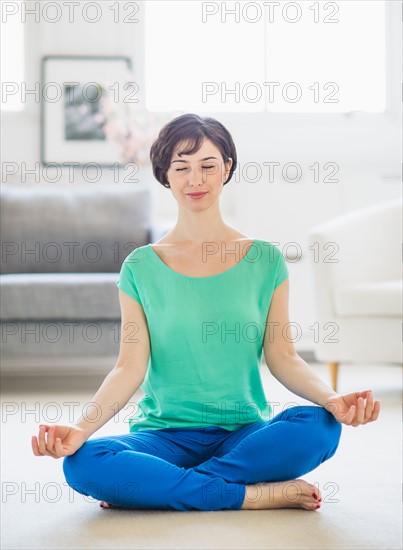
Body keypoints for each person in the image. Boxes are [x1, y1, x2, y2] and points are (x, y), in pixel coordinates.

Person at [31, 113, 381, 512]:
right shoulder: (140, 267)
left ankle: (163, 488)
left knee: (320, 428)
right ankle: (248, 494)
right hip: (163, 438)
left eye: (207, 166)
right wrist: (80, 429)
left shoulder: (265, 260)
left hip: (242, 435)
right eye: (181, 167)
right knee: (83, 463)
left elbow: (284, 358)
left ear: (227, 168)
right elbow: (128, 368)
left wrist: (333, 400)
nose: (195, 179)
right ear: (165, 174)